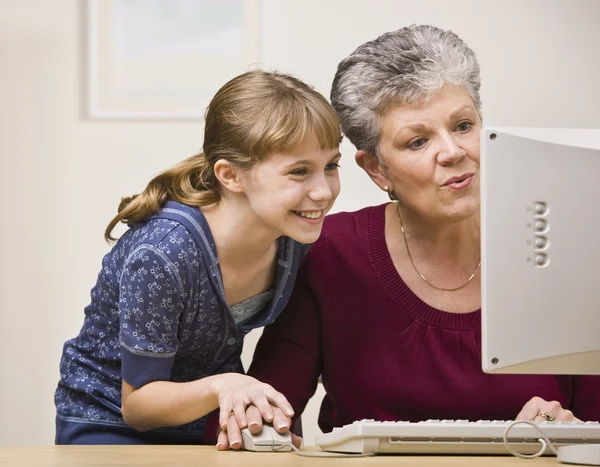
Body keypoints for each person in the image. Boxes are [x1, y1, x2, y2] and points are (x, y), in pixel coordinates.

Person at [216, 25, 600, 449]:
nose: (453, 151)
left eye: (463, 125)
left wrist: (571, 429)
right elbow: (264, 418)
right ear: (376, 169)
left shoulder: (569, 242)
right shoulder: (330, 254)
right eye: (418, 141)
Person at [54, 70, 343, 445]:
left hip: (213, 422)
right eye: (299, 171)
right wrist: (226, 385)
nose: (323, 192)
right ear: (231, 175)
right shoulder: (164, 253)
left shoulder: (295, 238)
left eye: (331, 166)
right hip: (109, 423)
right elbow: (138, 407)